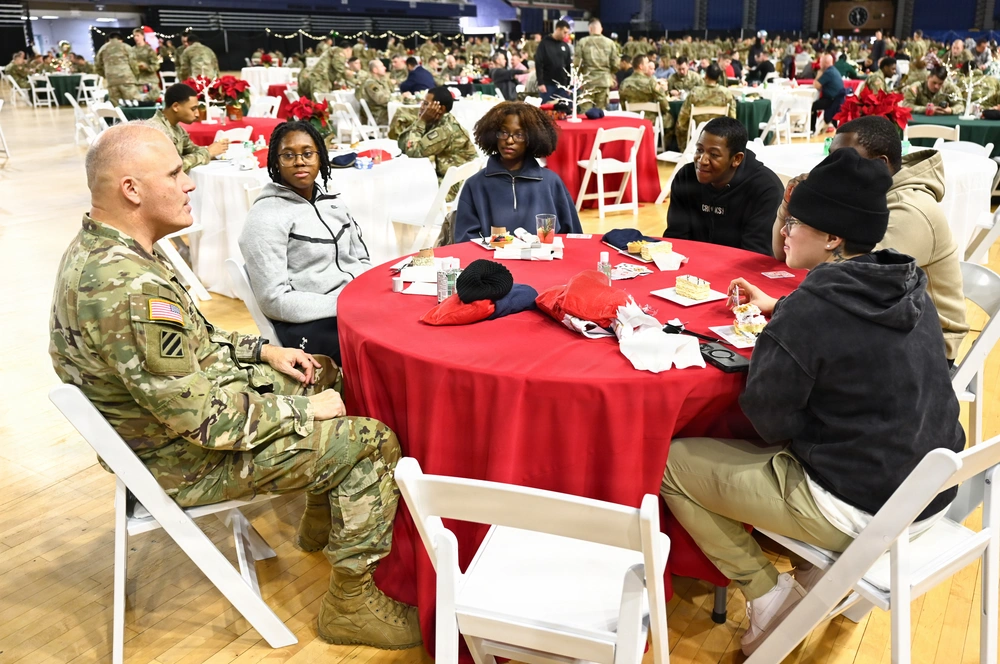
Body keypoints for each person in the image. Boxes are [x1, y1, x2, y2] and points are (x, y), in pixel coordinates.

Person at [50, 122, 422, 650]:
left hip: (172, 426)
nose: (191, 184)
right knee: (373, 441)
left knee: (322, 370)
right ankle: (352, 602)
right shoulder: (127, 288)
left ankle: (324, 509)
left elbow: (196, 338)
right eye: (176, 174)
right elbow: (203, 422)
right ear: (131, 190)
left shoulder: (119, 254)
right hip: (180, 459)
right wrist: (302, 413)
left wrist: (266, 350)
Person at [661, 146, 965, 658]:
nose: (783, 230)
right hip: (930, 493)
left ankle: (765, 592)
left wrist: (785, 328)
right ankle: (807, 574)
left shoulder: (813, 309)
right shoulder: (907, 281)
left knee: (670, 463)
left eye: (795, 221)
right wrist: (781, 307)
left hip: (864, 507)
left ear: (832, 237)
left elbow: (767, 418)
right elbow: (850, 331)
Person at [811, 116, 965, 362]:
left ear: (881, 163)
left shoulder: (910, 210)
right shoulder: (866, 196)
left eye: (845, 158)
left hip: (929, 345)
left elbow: (855, 279)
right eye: (831, 157)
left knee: (808, 358)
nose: (832, 167)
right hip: (885, 319)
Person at [240, 120, 371, 364]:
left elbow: (362, 258)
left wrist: (369, 296)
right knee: (374, 346)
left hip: (351, 306)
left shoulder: (333, 204)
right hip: (306, 322)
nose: (299, 161)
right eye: (288, 155)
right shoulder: (265, 217)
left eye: (308, 153)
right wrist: (343, 304)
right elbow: (273, 299)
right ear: (276, 162)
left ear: (320, 157)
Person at [455, 102, 580, 243]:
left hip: (544, 261)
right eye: (503, 133)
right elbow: (465, 241)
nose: (509, 140)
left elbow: (573, 237)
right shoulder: (475, 185)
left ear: (531, 139)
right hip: (491, 263)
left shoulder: (550, 182)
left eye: (519, 135)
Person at [663, 117, 782, 256]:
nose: (702, 160)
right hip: (691, 268)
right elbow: (676, 238)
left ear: (737, 159)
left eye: (714, 154)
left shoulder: (766, 189)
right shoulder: (686, 177)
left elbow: (755, 254)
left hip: (741, 273)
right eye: (699, 150)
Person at [395, 86, 477, 185]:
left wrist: (421, 121)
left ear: (440, 108)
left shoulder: (445, 129)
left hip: (455, 185)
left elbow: (412, 152)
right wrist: (421, 121)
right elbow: (402, 143)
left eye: (426, 104)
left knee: (408, 184)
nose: (421, 107)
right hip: (450, 178)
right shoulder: (438, 120)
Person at [150, 83, 229, 171]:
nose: (197, 114)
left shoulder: (176, 127)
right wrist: (208, 153)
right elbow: (171, 168)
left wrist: (214, 150)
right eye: (193, 109)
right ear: (176, 107)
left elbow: (192, 150)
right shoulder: (156, 131)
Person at [675, 63, 736, 152]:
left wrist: (682, 128)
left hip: (698, 129)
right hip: (719, 130)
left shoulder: (695, 92)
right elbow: (732, 117)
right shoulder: (727, 93)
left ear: (706, 75)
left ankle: (685, 152)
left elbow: (683, 116)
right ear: (719, 77)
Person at [618, 54, 674, 146]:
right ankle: (661, 147)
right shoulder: (650, 82)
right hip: (650, 120)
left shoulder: (624, 82)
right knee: (671, 120)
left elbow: (623, 104)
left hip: (632, 119)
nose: (648, 65)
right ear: (641, 66)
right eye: (647, 63)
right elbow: (662, 100)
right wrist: (666, 110)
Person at [573, 17, 618, 111]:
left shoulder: (582, 42)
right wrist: (610, 72)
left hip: (587, 81)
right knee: (601, 111)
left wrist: (581, 73)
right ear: (601, 29)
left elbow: (577, 63)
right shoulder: (610, 43)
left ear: (590, 28)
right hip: (604, 81)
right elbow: (616, 64)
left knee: (585, 111)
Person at [94, 33, 139, 106]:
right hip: (127, 80)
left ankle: (118, 117)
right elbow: (133, 64)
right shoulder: (125, 46)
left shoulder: (103, 48)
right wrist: (136, 75)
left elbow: (97, 66)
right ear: (120, 40)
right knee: (133, 103)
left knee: (116, 106)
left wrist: (106, 75)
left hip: (111, 81)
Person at [534, 19, 572, 101]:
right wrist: (540, 83)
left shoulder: (565, 46)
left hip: (562, 86)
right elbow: (539, 63)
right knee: (547, 110)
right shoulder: (544, 44)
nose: (566, 35)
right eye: (564, 32)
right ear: (558, 29)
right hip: (548, 85)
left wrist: (569, 85)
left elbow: (568, 66)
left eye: (567, 33)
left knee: (564, 110)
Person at [811, 53, 845, 132]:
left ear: (825, 63)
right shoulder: (833, 70)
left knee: (812, 106)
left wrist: (818, 74)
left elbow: (816, 85)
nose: (819, 64)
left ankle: (811, 129)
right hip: (837, 99)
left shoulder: (828, 73)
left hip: (832, 100)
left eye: (820, 62)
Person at [356, 59, 394, 126]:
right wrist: (400, 98)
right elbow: (381, 99)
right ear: (375, 70)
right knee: (403, 116)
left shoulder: (381, 81)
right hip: (377, 115)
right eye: (382, 66)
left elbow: (391, 91)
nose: (385, 68)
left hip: (383, 111)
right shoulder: (370, 83)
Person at [132, 29, 160, 100]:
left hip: (149, 81)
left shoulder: (149, 50)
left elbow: (156, 65)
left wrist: (146, 67)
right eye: (134, 36)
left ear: (143, 36)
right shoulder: (131, 50)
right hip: (136, 82)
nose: (136, 38)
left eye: (138, 35)